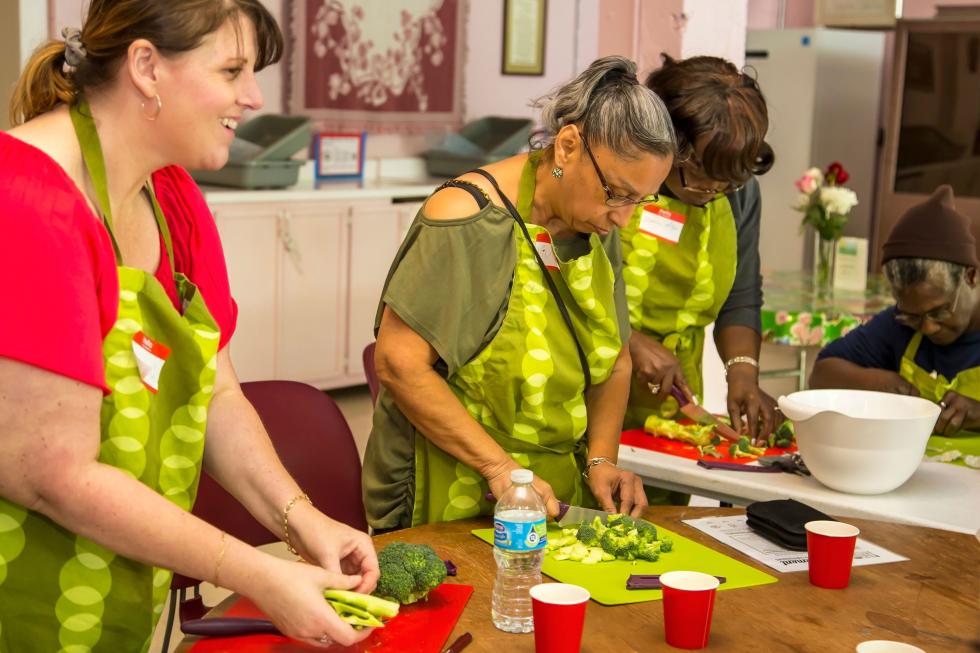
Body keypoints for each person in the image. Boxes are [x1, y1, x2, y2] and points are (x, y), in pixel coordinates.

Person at [0, 2, 378, 649]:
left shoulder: (172, 197)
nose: (253, 96)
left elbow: (218, 395)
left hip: (112, 590)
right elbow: (50, 471)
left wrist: (301, 518)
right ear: (146, 66)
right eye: (232, 70)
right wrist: (255, 569)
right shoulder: (26, 200)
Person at [362, 56, 675, 532]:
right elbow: (399, 365)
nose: (624, 218)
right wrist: (499, 469)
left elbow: (614, 358)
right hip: (450, 484)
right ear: (568, 146)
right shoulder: (464, 218)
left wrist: (601, 460)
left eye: (640, 200)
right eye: (617, 193)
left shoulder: (593, 215)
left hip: (548, 493)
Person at [621, 55, 778, 443]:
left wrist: (743, 373)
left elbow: (740, 295)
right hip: (583, 384)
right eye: (700, 180)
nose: (714, 193)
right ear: (666, 144)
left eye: (729, 183)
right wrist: (628, 339)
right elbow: (558, 281)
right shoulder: (617, 179)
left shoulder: (739, 196)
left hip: (671, 396)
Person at [811, 185, 980, 466]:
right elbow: (822, 373)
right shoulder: (898, 326)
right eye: (913, 315)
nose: (927, 328)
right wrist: (874, 382)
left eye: (938, 311)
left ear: (970, 277)